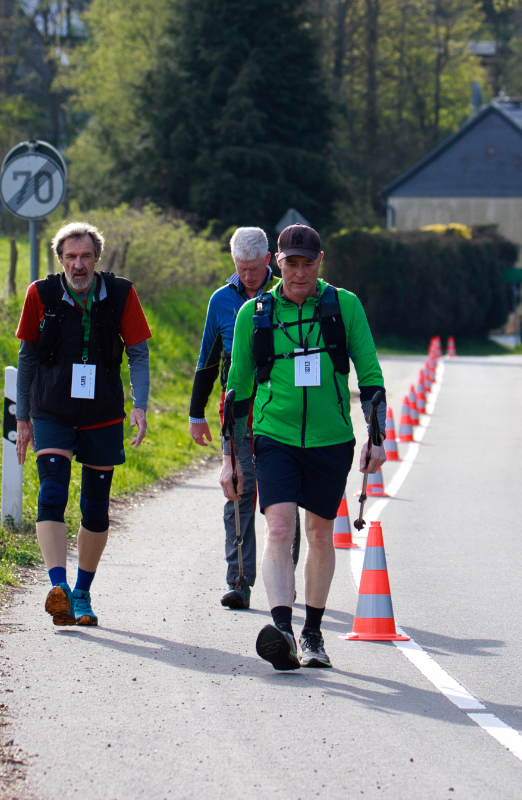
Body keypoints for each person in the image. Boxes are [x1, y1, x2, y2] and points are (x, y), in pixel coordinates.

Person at [221, 224, 387, 670]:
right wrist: (229, 460)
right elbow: (235, 391)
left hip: (331, 440)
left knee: (318, 533)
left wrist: (378, 437)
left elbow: (370, 375)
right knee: (278, 529)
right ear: (278, 262)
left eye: (306, 263)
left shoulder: (343, 306)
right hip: (274, 437)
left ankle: (313, 633)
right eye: (290, 263)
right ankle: (282, 630)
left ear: (320, 262)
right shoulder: (254, 314)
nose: (298, 272)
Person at [14, 222, 152, 628]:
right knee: (52, 491)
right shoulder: (40, 294)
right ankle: (58, 588)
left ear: (97, 258)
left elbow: (139, 354)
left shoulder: (122, 293)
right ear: (60, 260)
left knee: (95, 506)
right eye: (71, 257)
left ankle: (82, 592)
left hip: (103, 412)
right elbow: (27, 357)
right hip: (52, 408)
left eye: (86, 256)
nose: (78, 264)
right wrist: (23, 417)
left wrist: (139, 406)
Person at [189, 227, 281, 610]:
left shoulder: (285, 296)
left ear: (268, 261)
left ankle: (283, 578)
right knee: (239, 490)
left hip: (280, 412)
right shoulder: (221, 301)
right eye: (240, 268)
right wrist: (197, 412)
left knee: (279, 500)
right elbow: (207, 359)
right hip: (237, 414)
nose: (246, 276)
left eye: (253, 269)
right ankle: (239, 581)